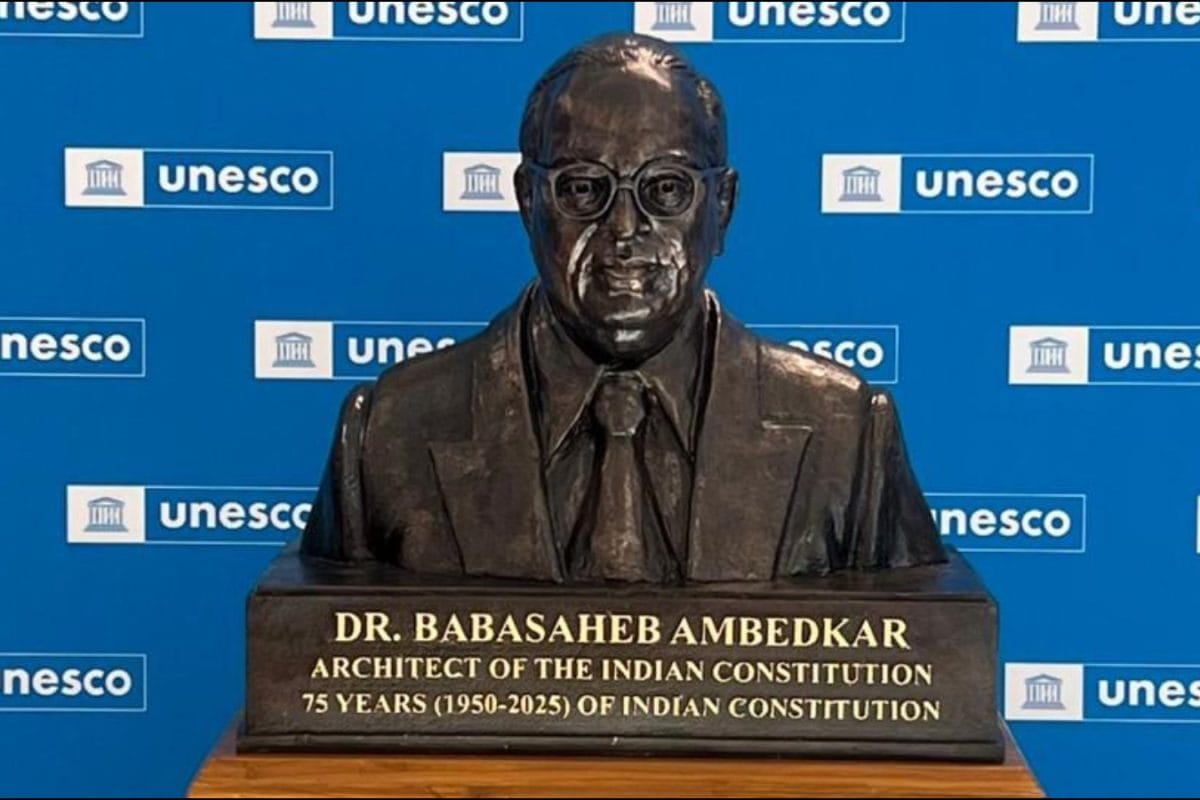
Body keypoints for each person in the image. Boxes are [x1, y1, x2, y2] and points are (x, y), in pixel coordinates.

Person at [300, 32, 946, 584]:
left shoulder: (848, 431)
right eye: (585, 189)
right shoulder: (389, 428)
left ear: (722, 208)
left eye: (667, 189)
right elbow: (321, 660)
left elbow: (920, 666)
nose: (625, 231)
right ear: (529, 202)